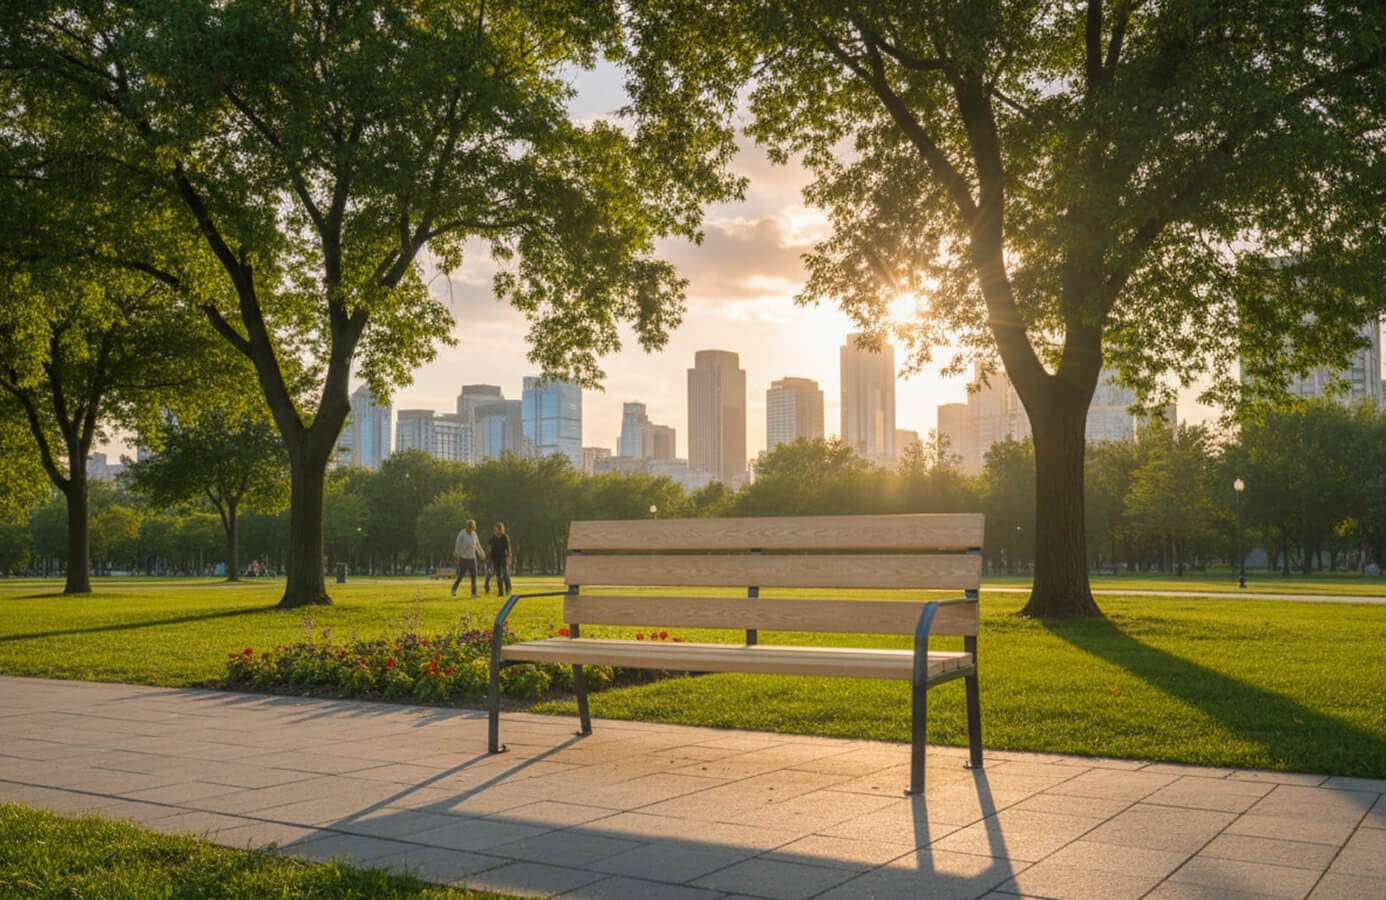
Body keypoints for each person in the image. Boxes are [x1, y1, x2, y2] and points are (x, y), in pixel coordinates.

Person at [451, 519, 482, 598]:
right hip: (464, 558)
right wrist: (457, 555)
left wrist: (481, 553)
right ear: (467, 527)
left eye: (473, 527)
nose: (471, 529)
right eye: (470, 527)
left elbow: (477, 545)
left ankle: (474, 593)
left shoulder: (474, 534)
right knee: (460, 576)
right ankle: (454, 589)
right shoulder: (462, 534)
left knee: (474, 576)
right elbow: (457, 545)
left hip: (472, 558)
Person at [488, 522, 513, 596]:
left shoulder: (505, 537)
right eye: (495, 530)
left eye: (498, 529)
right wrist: (489, 558)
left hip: (503, 557)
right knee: (498, 575)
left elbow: (508, 548)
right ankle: (500, 591)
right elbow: (490, 548)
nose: (496, 531)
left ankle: (508, 588)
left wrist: (509, 557)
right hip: (495, 558)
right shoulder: (492, 538)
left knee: (505, 574)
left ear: (501, 529)